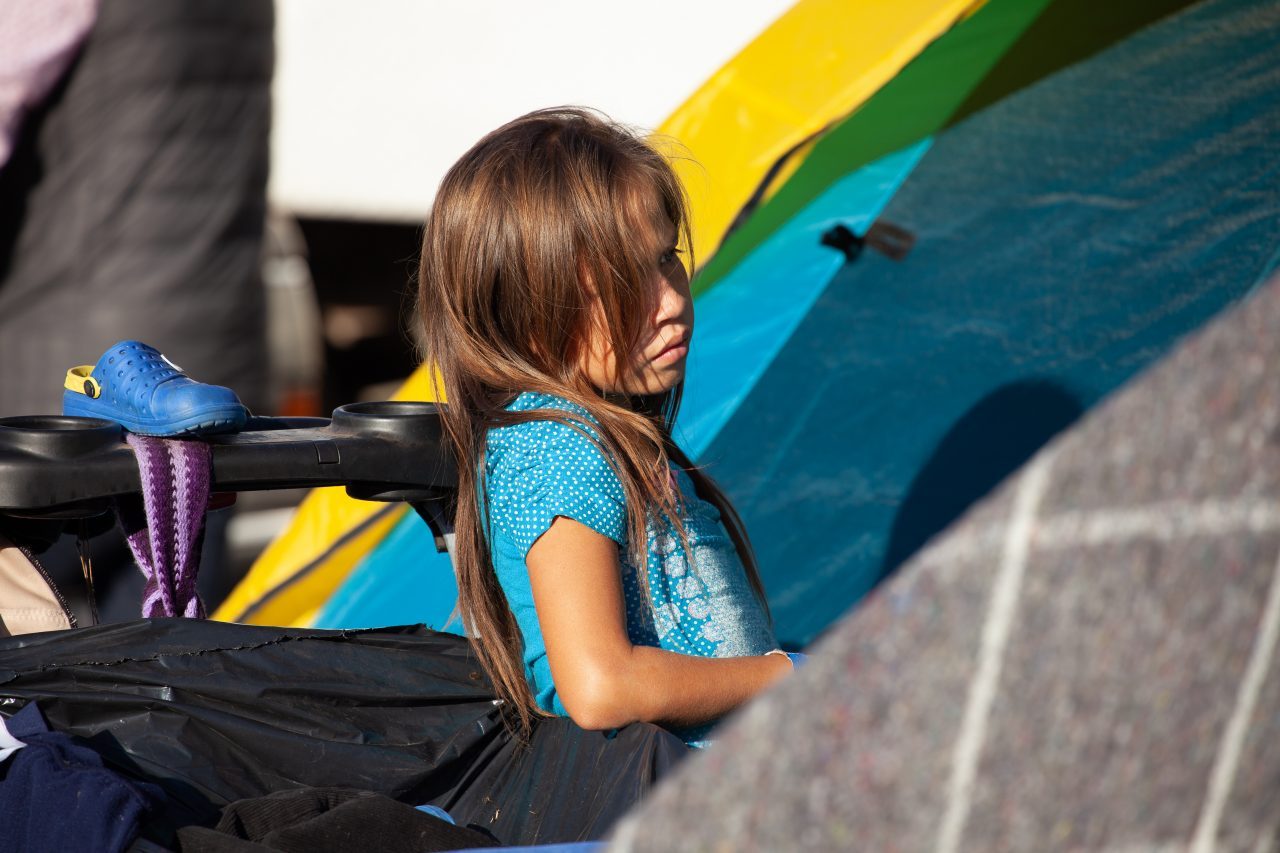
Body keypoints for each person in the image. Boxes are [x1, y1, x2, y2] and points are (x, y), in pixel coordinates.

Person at [418, 108, 796, 746]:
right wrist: (788, 676)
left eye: (667, 261)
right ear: (524, 310)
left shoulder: (603, 434)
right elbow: (599, 686)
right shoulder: (558, 444)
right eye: (619, 285)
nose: (672, 302)